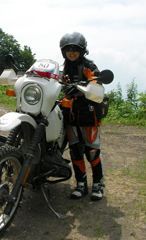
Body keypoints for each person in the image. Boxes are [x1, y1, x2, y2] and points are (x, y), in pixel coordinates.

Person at [59, 32, 105, 201]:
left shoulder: (88, 66)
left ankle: (98, 184)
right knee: (75, 151)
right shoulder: (64, 69)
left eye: (75, 49)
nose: (71, 52)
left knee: (92, 151)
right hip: (70, 115)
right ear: (63, 52)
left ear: (82, 50)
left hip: (88, 114)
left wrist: (86, 86)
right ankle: (81, 184)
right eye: (68, 49)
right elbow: (57, 82)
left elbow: (96, 79)